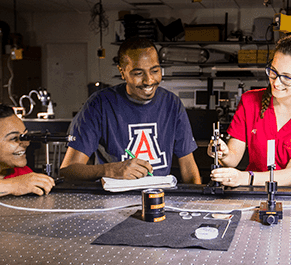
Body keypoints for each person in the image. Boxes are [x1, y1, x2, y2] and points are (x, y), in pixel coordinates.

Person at [60, 37, 201, 184]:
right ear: (122, 72)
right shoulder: (99, 105)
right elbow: (68, 171)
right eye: (138, 73)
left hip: (158, 200)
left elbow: (189, 168)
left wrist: (198, 204)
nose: (149, 80)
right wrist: (110, 170)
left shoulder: (172, 104)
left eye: (155, 70)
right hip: (112, 202)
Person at [208, 34, 291, 187]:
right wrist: (223, 153)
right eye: (273, 72)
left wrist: (243, 178)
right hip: (255, 189)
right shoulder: (249, 101)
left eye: (287, 78)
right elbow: (233, 158)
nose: (277, 82)